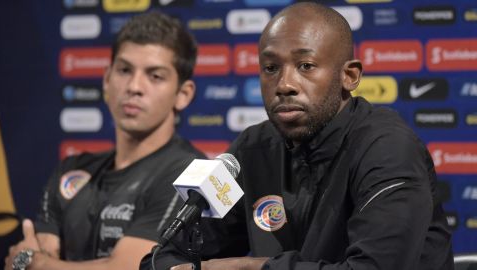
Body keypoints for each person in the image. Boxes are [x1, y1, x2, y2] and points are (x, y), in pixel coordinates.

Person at [142, 2, 454, 270]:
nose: (284, 84)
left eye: (305, 66)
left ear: (350, 76)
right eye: (270, 67)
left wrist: (256, 267)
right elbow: (166, 256)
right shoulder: (252, 150)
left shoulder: (388, 149)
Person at [5, 10, 205, 270]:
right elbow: (42, 254)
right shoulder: (71, 170)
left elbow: (130, 267)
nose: (134, 86)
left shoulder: (190, 175)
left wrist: (34, 264)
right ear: (107, 79)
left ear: (183, 94)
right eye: (124, 70)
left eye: (155, 76)